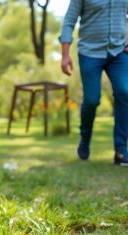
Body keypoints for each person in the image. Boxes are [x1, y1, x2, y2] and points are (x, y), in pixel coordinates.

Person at [59, 0, 128, 165]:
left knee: (124, 92)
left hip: (119, 51)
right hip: (90, 52)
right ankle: (85, 136)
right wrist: (65, 55)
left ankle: (120, 149)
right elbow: (69, 21)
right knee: (91, 100)